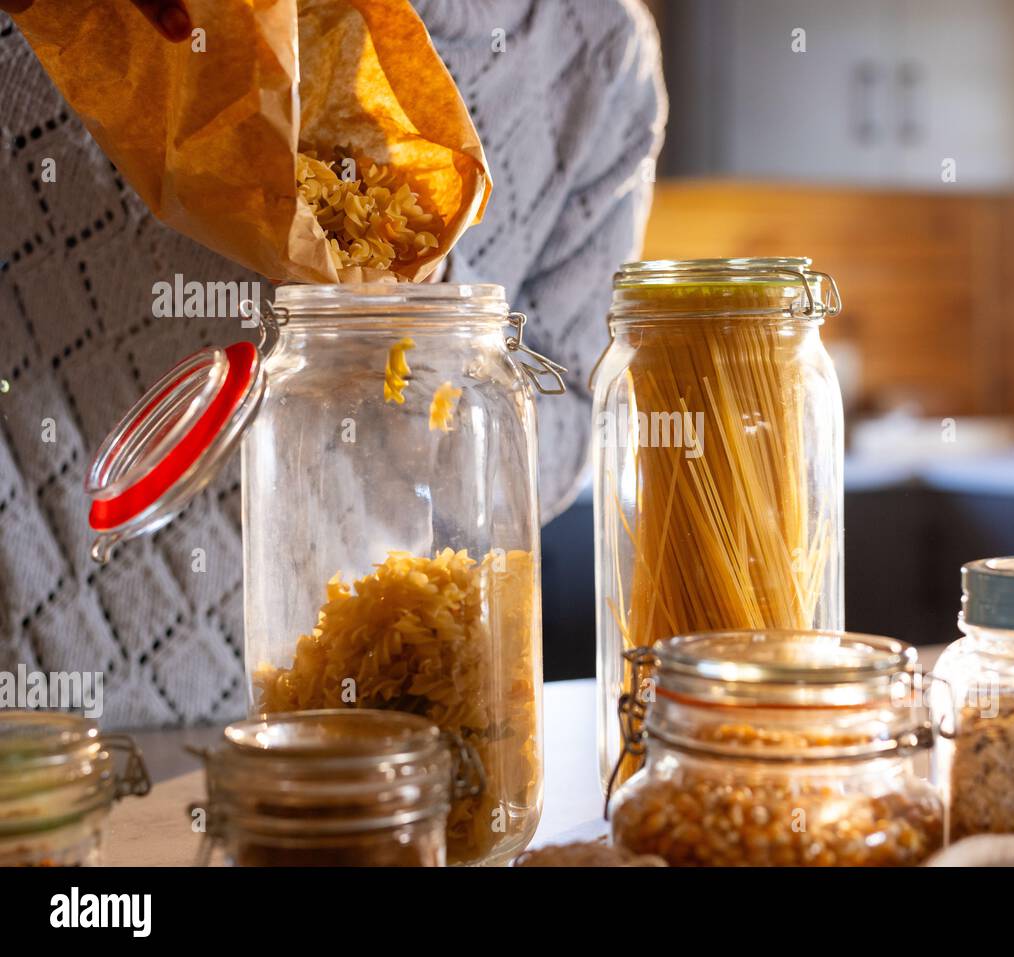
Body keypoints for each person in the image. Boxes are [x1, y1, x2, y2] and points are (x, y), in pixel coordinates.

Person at [0, 0, 666, 727]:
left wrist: (420, 313)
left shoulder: (600, 54)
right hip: (26, 692)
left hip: (332, 707)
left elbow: (564, 433)